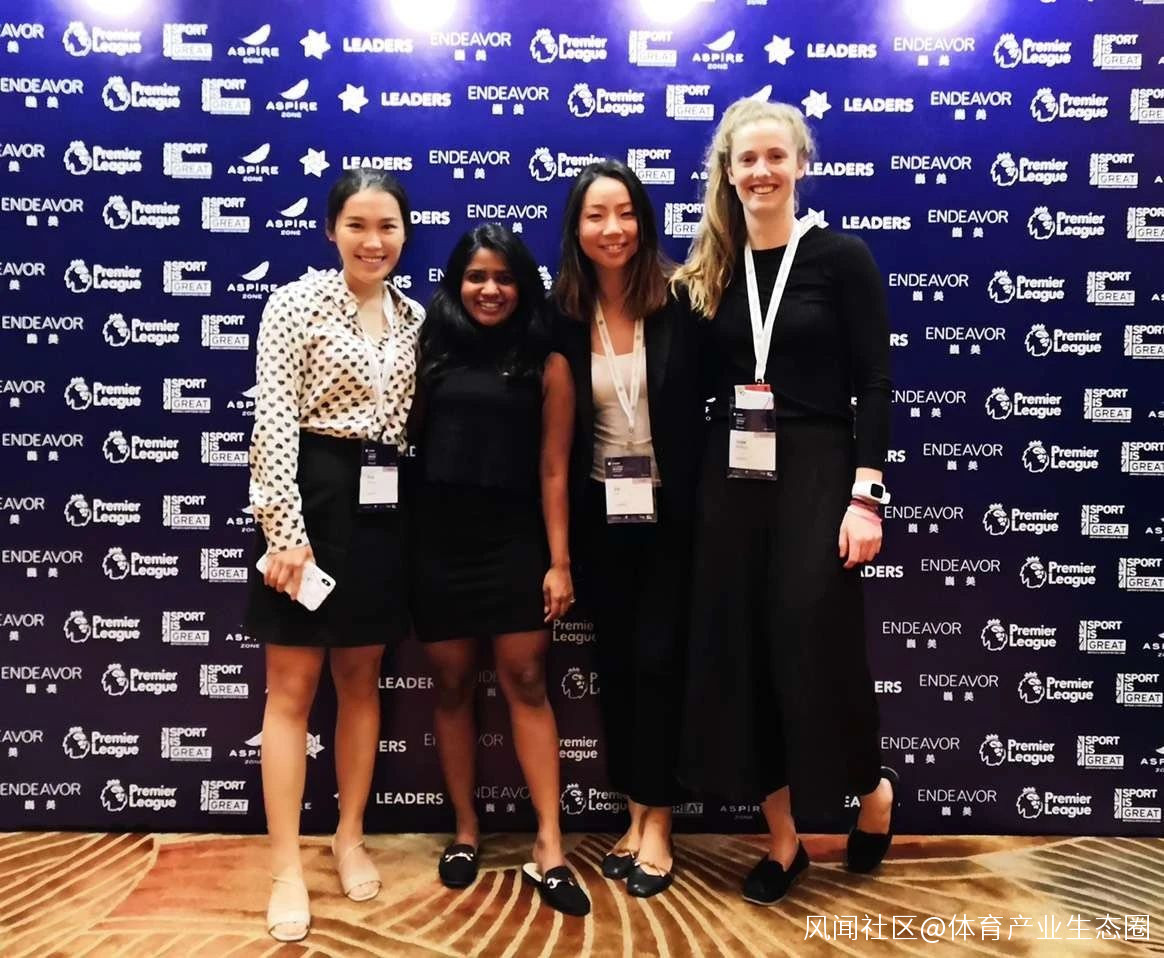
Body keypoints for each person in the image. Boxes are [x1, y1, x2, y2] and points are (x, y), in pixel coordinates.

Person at [671, 98, 897, 904]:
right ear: (727, 172)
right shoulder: (710, 271)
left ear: (801, 164)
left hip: (818, 468)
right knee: (742, 656)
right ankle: (784, 841)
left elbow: (875, 382)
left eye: (776, 156)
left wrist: (865, 495)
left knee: (817, 645)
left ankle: (872, 790)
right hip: (731, 478)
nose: (761, 171)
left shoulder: (841, 258)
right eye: (747, 159)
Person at [247, 169, 424, 941]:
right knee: (290, 690)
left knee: (361, 680)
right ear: (331, 231)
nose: (373, 241)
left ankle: (348, 837)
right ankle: (287, 866)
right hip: (309, 498)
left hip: (382, 508)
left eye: (387, 226)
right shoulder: (294, 305)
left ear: (404, 234)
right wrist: (285, 532)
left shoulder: (417, 318)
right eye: (357, 225)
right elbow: (273, 422)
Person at [409, 223, 589, 917]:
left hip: (515, 544)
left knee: (527, 682)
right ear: (457, 283)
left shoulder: (548, 364)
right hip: (438, 542)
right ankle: (465, 832)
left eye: (504, 278)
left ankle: (549, 843)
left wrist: (559, 561)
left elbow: (554, 471)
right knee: (453, 685)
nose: (490, 289)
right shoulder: (429, 353)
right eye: (477, 277)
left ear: (523, 287)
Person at [551, 160, 703, 898]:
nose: (612, 229)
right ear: (576, 229)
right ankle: (634, 811)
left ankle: (660, 820)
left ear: (643, 221)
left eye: (625, 213)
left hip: (673, 515)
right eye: (595, 215)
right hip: (599, 514)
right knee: (614, 664)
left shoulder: (681, 302)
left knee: (659, 663)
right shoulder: (561, 314)